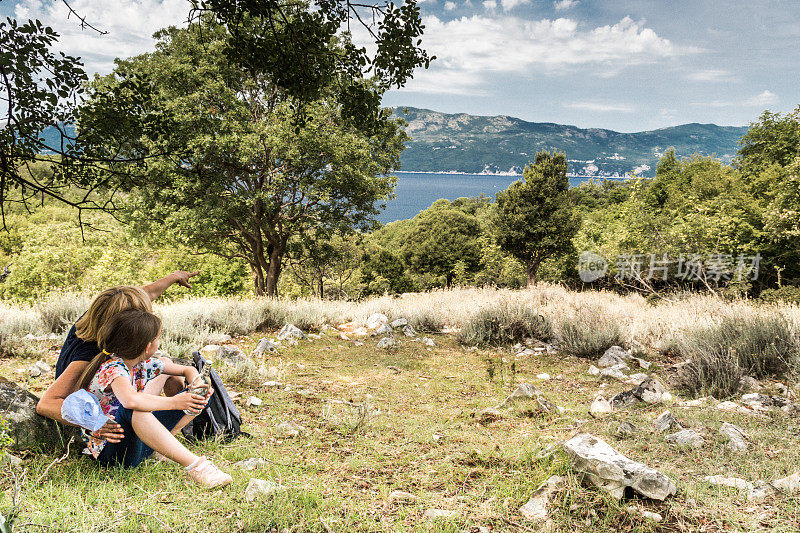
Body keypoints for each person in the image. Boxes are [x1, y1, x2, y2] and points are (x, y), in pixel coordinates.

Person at [37, 271, 199, 444]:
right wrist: (96, 422)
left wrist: (174, 277)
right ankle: (161, 441)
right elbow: (46, 404)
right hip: (104, 417)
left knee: (166, 366)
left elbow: (148, 293)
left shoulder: (103, 313)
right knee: (165, 373)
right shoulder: (89, 355)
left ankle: (174, 432)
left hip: (115, 393)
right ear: (125, 324)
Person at [78, 308, 231, 487]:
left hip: (137, 444)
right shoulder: (113, 369)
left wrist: (195, 381)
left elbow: (182, 368)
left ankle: (161, 448)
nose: (159, 342)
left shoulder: (140, 363)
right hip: (113, 452)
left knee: (199, 394)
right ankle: (198, 467)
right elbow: (130, 401)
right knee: (133, 408)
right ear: (147, 346)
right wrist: (174, 402)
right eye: (158, 338)